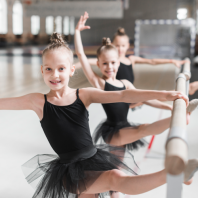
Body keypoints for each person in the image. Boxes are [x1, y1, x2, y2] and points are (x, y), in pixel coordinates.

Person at [1, 29, 197, 198]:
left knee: (114, 178)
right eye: (49, 69)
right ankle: (174, 173)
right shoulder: (37, 101)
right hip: (70, 171)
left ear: (71, 70)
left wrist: (165, 94)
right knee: (115, 178)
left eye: (61, 69)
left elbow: (123, 94)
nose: (55, 75)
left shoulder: (84, 95)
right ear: (42, 70)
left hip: (93, 159)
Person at [75, 12, 190, 153]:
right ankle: (183, 119)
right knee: (144, 129)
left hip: (125, 127)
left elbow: (147, 99)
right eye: (105, 64)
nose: (109, 67)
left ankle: (179, 116)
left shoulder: (125, 83)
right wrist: (77, 32)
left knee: (116, 168)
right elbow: (81, 55)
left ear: (119, 63)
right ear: (98, 65)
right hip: (113, 132)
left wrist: (169, 108)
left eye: (113, 63)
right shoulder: (100, 84)